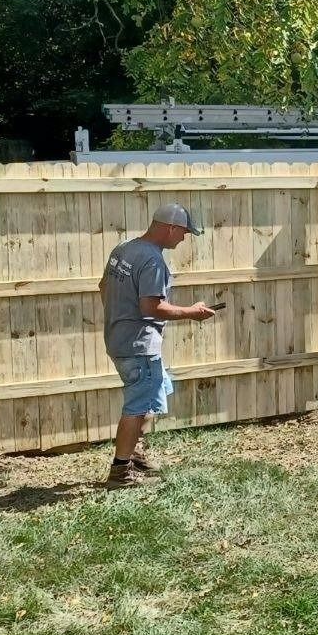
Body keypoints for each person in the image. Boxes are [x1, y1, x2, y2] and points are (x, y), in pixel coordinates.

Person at [99, 204, 216, 487]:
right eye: (184, 233)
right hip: (139, 345)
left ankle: (135, 452)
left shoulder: (123, 249)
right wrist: (192, 312)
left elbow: (103, 286)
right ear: (171, 228)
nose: (184, 239)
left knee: (158, 387)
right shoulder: (153, 261)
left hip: (119, 338)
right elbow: (152, 307)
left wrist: (121, 318)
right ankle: (120, 471)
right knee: (137, 406)